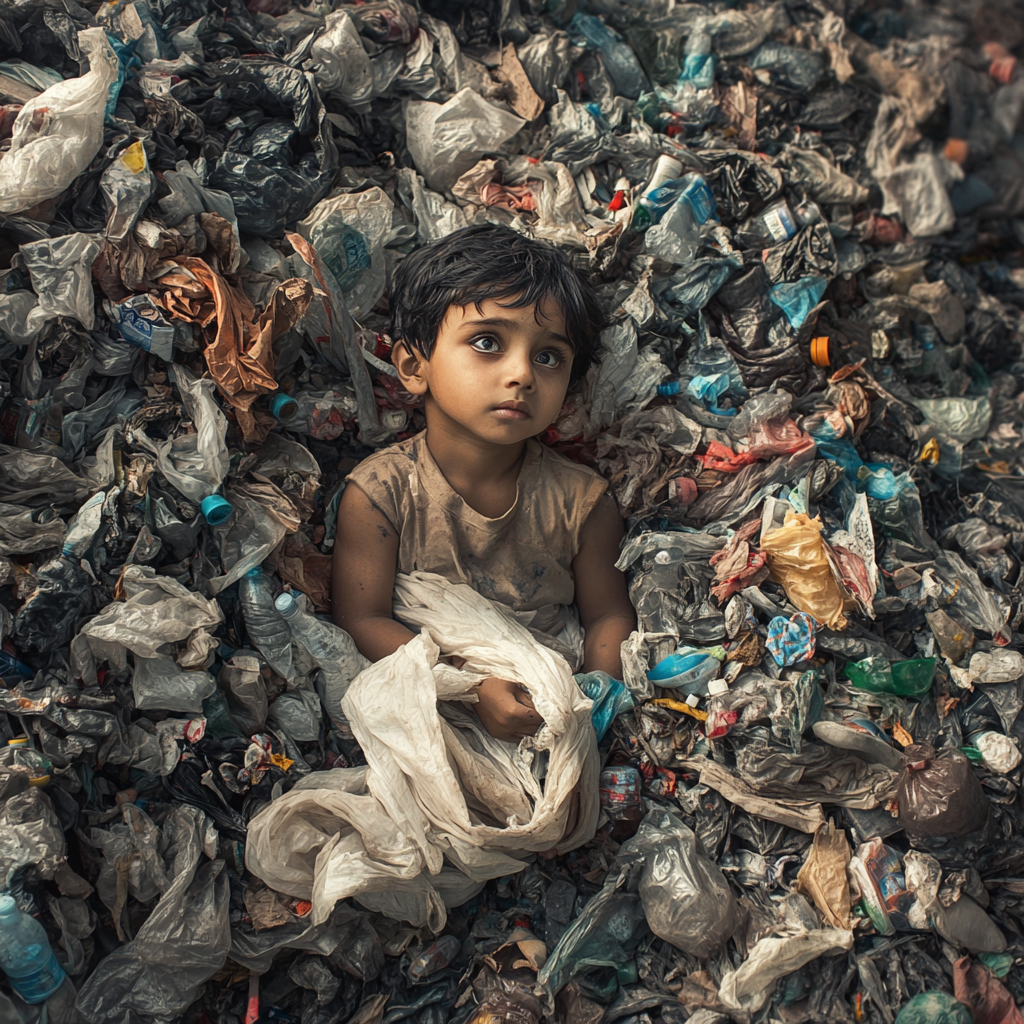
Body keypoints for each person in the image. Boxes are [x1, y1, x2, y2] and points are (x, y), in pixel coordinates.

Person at [331, 224, 636, 743]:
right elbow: (363, 620)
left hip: (551, 710)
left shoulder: (582, 502)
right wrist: (470, 686)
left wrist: (588, 699)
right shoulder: (382, 493)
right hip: (432, 706)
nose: (521, 373)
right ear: (413, 365)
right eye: (487, 342)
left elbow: (608, 615)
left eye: (548, 356)